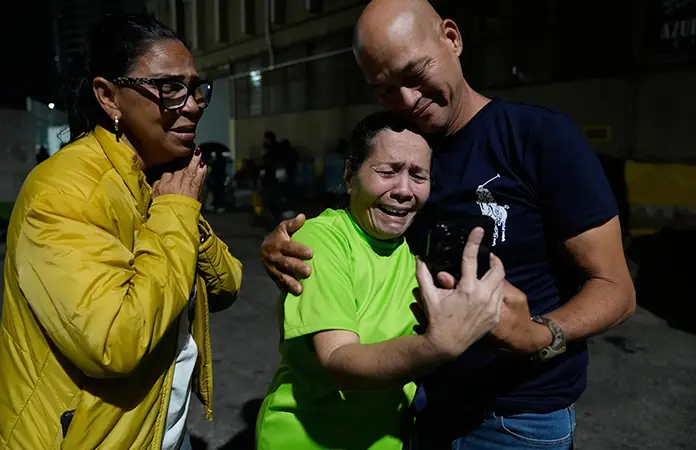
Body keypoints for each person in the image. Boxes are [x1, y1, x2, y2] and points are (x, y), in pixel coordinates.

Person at [259, 0, 636, 448]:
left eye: (415, 73)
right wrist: (285, 243)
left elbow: (616, 289)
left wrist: (539, 333)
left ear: (452, 39)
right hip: (419, 407)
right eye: (384, 89)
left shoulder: (539, 136)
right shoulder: (409, 148)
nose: (406, 100)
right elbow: (354, 225)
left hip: (514, 419)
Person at [0, 14, 243, 450]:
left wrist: (181, 212)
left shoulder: (162, 179)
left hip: (161, 431)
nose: (193, 105)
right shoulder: (64, 191)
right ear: (109, 96)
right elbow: (116, 342)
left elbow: (226, 286)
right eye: (169, 88)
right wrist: (176, 212)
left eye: (195, 88)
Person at [255, 112, 508, 450]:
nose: (403, 190)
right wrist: (437, 346)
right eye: (388, 172)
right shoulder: (321, 240)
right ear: (349, 177)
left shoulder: (415, 250)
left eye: (418, 175)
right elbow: (339, 361)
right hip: (306, 439)